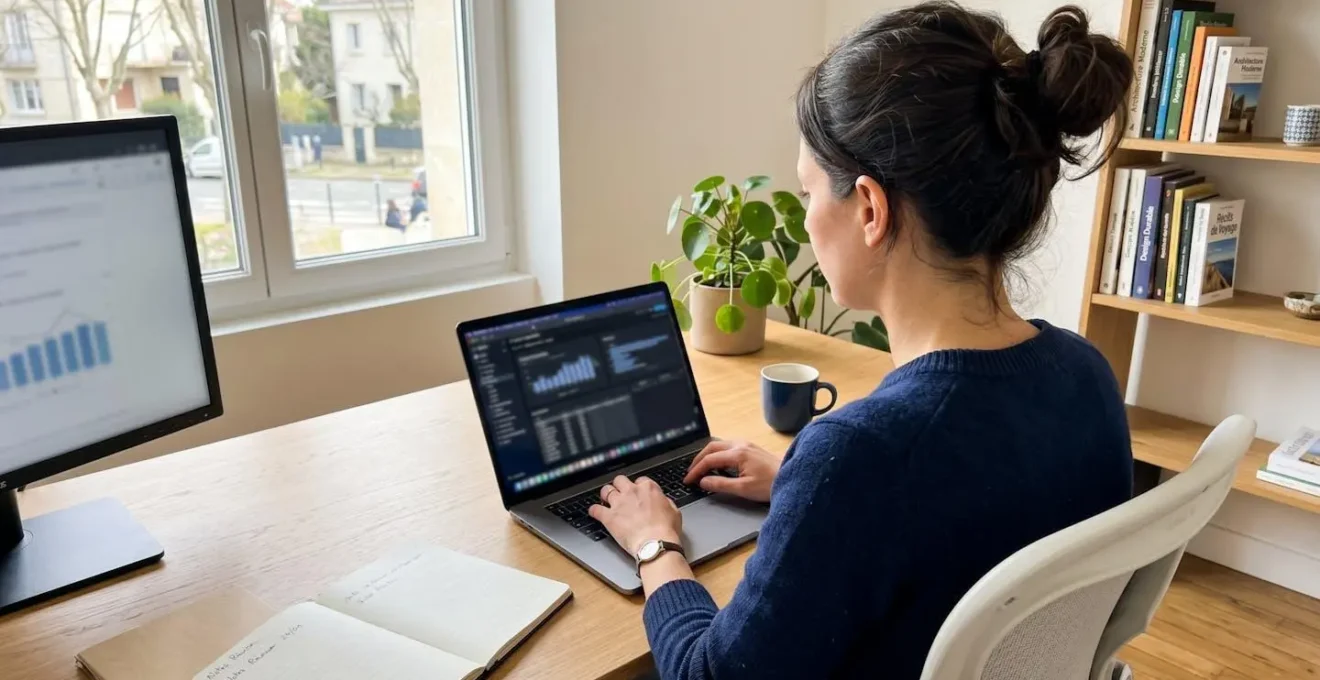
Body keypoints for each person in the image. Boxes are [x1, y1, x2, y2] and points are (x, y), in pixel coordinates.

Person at [586, 3, 1136, 678]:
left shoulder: (859, 456)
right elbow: (963, 497)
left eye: (809, 190)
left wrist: (653, 545)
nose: (810, 218)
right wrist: (798, 486)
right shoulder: (1086, 375)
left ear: (871, 210)